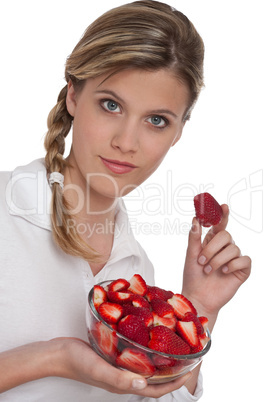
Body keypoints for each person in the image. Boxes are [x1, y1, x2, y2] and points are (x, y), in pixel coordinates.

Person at [0, 0, 251, 400]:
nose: (126, 143)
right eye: (111, 105)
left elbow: (140, 392)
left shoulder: (137, 273)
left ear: (178, 133)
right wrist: (51, 358)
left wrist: (200, 309)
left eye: (156, 120)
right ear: (73, 97)